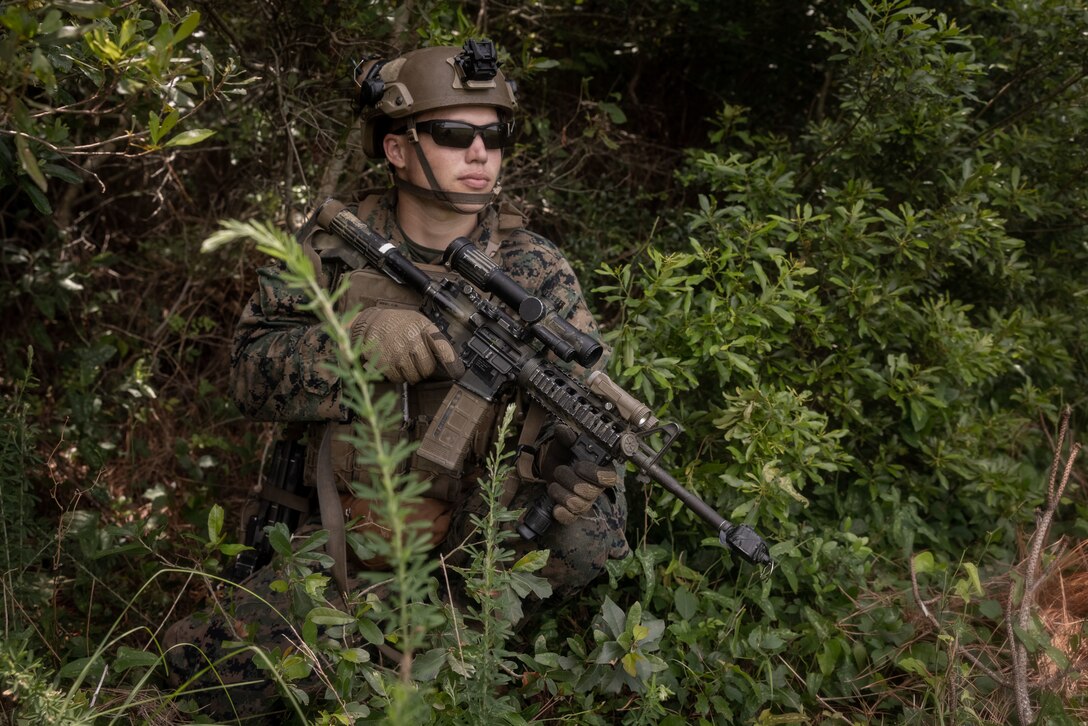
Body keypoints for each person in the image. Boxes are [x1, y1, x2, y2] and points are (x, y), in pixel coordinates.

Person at [162, 39, 629, 721]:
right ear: (397, 149)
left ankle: (457, 655)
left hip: (472, 554)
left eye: (496, 137)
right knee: (209, 689)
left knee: (593, 529)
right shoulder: (330, 250)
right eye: (453, 134)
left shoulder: (536, 270)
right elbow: (247, 376)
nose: (481, 155)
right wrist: (352, 341)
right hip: (337, 541)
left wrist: (574, 468)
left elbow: (572, 403)